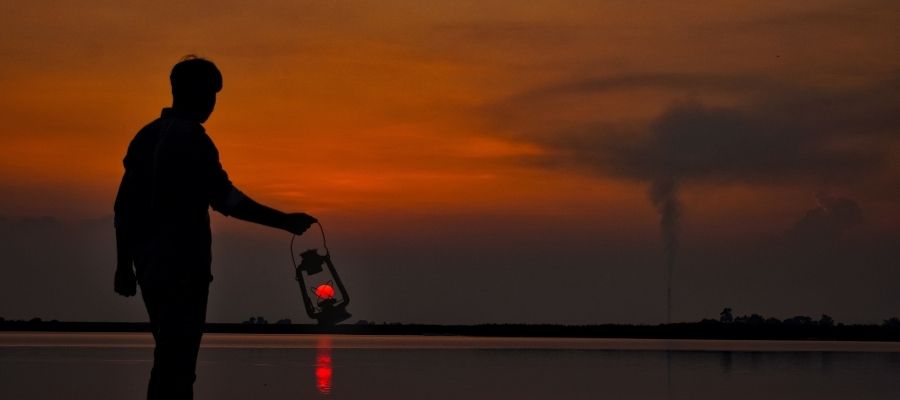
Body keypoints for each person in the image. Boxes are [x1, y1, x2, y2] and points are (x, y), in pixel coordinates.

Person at [113, 55, 317, 400]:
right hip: (182, 268)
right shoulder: (193, 139)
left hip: (148, 267)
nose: (212, 103)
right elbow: (227, 200)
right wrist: (284, 222)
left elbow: (124, 208)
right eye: (209, 94)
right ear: (191, 93)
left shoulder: (145, 137)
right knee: (177, 362)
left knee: (168, 357)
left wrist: (124, 264)